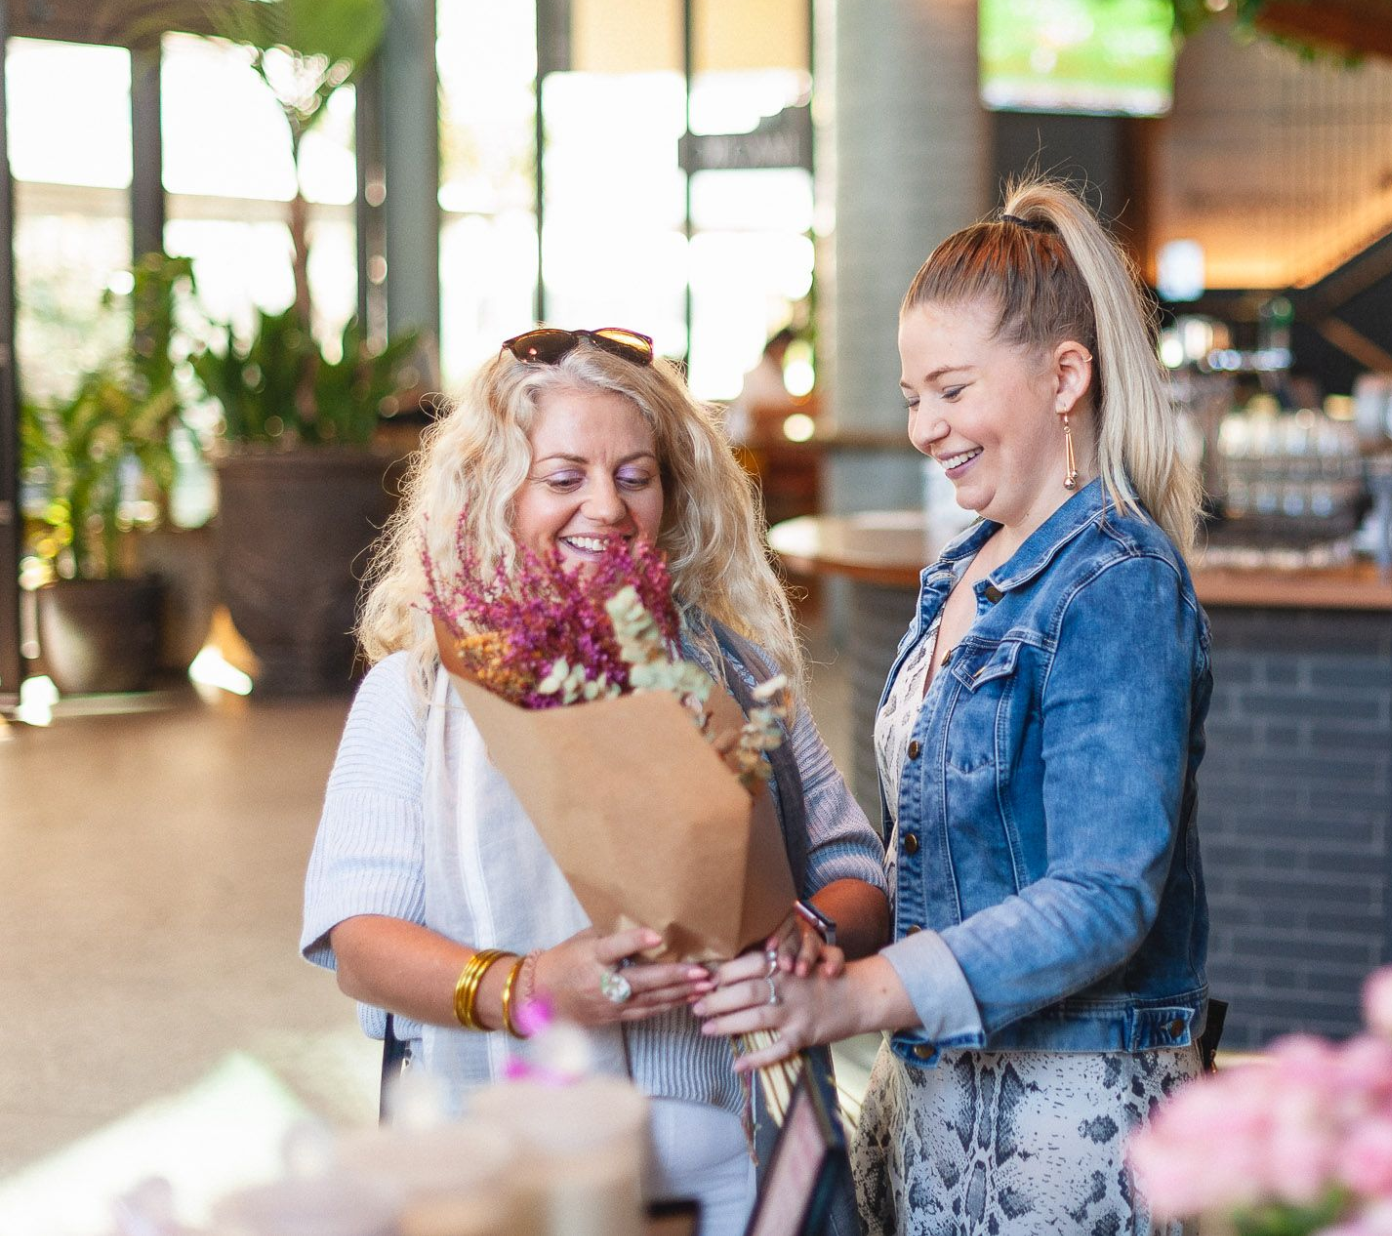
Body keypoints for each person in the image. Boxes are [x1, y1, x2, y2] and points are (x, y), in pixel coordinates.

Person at [695, 180, 1212, 1235]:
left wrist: (862, 994)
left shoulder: (1116, 579)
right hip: (932, 1099)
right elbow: (938, 851)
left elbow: (1106, 893)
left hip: (1063, 1124)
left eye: (951, 389)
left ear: (1065, 375)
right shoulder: (963, 569)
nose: (925, 427)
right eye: (911, 396)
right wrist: (813, 930)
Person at [300, 326, 889, 1233]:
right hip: (501, 1172)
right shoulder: (415, 694)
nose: (607, 507)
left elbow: (858, 876)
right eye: (563, 477)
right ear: (493, 493)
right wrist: (529, 984)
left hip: (735, 1170)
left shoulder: (737, 674)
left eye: (635, 476)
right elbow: (358, 941)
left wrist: (805, 934)